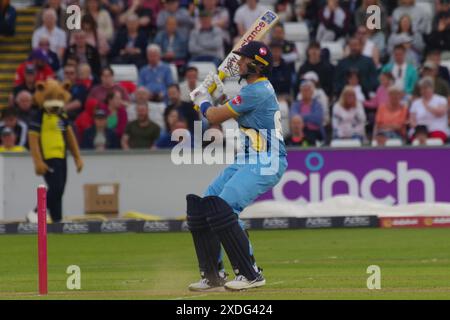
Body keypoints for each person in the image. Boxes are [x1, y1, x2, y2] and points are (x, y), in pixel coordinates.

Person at [187, 41, 287, 291]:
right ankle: (212, 275)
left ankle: (251, 273)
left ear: (255, 64)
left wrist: (202, 99)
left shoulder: (258, 91)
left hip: (267, 160)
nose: (239, 63)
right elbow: (233, 110)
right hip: (248, 158)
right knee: (204, 205)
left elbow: (213, 117)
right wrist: (215, 97)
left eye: (243, 60)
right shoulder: (254, 91)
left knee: (224, 207)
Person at [409, 77, 449, 143]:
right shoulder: (416, 103)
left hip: (437, 128)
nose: (424, 90)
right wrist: (414, 125)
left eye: (426, 88)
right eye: (422, 88)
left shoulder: (441, 99)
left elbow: (440, 113)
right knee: (416, 139)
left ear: (432, 88)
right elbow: (412, 119)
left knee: (435, 139)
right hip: (420, 130)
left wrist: (427, 106)